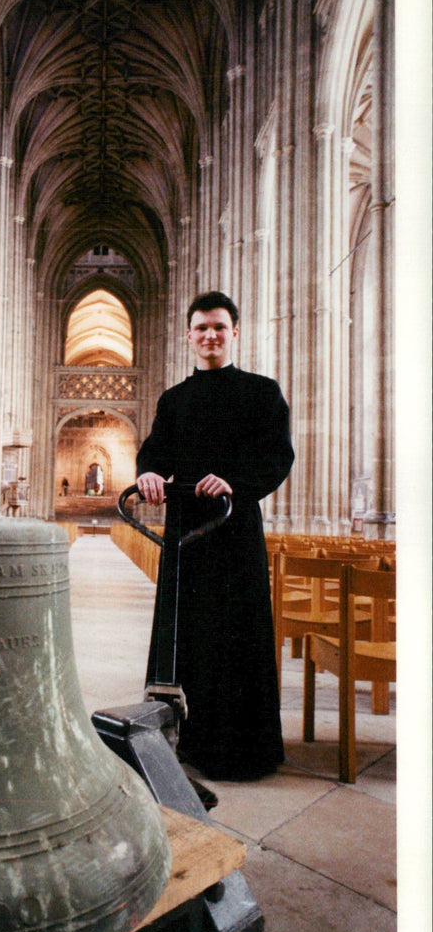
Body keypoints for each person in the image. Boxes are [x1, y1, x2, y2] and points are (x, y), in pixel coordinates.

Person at [136, 291, 294, 781]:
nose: (210, 336)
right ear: (189, 336)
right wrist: (147, 476)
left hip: (234, 529)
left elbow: (277, 457)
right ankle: (193, 738)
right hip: (186, 535)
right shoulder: (173, 399)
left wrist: (235, 483)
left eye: (219, 328)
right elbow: (154, 453)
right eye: (201, 328)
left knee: (239, 635)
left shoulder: (262, 392)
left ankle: (246, 748)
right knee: (189, 636)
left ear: (235, 333)